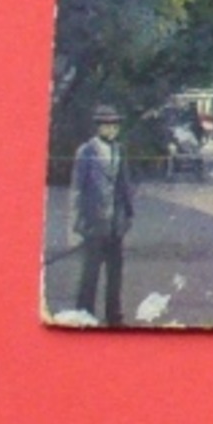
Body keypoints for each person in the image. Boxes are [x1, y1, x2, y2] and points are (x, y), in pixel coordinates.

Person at [73, 104, 135, 326]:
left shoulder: (119, 150)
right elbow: (77, 189)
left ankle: (114, 315)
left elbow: (124, 183)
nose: (112, 129)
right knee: (90, 272)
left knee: (115, 273)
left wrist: (128, 214)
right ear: (98, 127)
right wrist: (76, 223)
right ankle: (84, 314)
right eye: (107, 125)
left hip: (115, 223)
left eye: (115, 125)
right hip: (93, 222)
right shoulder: (86, 151)